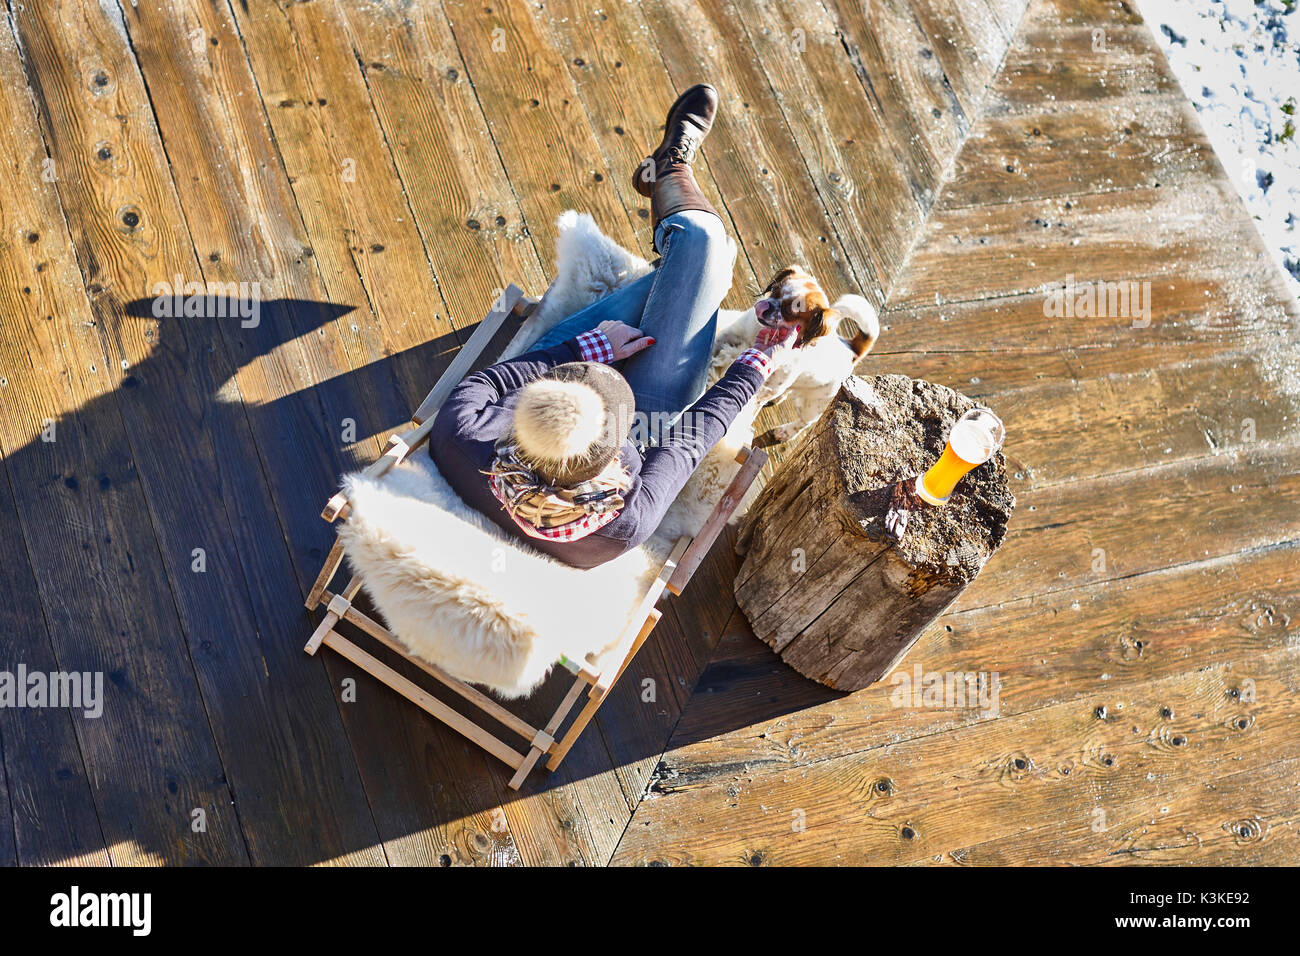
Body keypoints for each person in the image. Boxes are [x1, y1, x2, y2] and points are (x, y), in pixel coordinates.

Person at [431, 84, 799, 570]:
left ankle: (669, 185)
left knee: (700, 264)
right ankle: (669, 171)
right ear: (610, 459)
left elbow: (496, 379)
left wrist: (585, 349)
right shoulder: (624, 521)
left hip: (569, 373)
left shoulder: (462, 434)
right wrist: (755, 365)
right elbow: (687, 438)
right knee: (707, 252)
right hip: (645, 422)